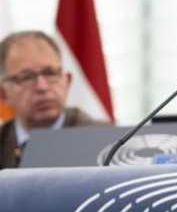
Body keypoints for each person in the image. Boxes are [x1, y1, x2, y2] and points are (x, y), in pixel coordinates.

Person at [0, 30, 106, 169]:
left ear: (67, 81)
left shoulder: (104, 141)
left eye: (50, 73)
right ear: (3, 94)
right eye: (26, 77)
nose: (42, 87)